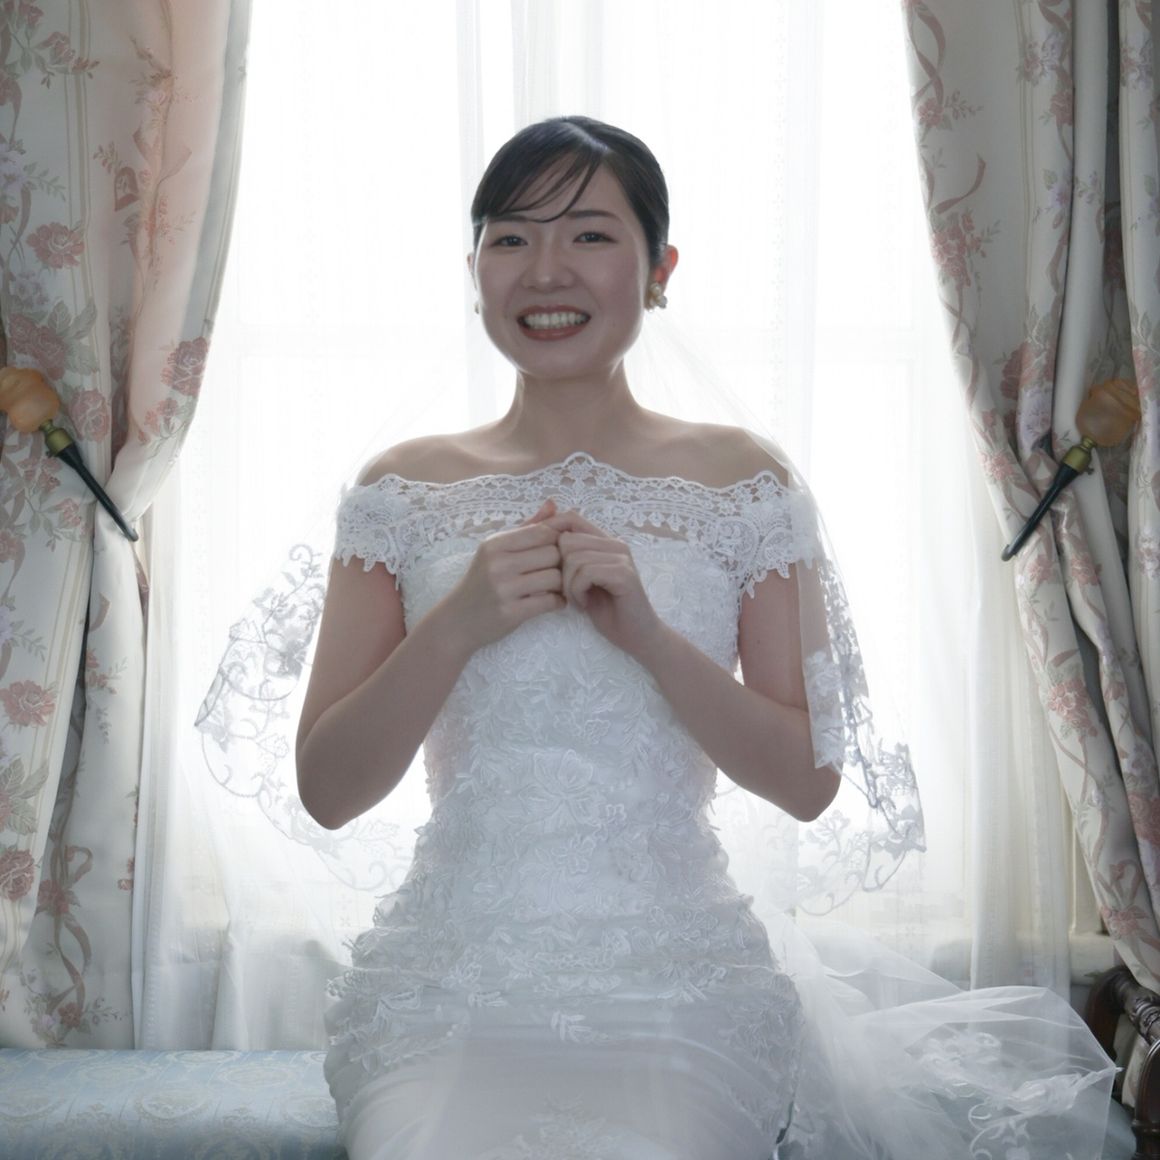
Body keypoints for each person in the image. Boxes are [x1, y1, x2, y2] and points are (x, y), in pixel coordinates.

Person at [295, 116, 1114, 1160]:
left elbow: (807, 782)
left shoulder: (744, 484)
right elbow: (329, 789)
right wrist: (455, 624)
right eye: (511, 238)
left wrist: (647, 634)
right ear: (474, 271)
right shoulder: (399, 491)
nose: (545, 270)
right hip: (443, 989)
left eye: (590, 234)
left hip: (676, 986)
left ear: (659, 269)